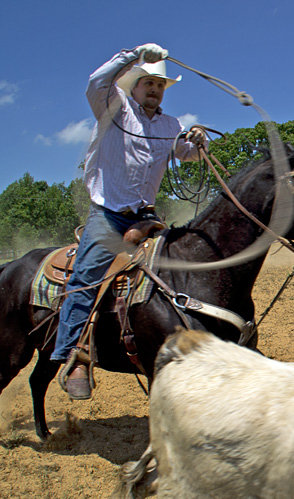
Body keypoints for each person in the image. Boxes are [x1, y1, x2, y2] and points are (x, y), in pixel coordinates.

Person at [51, 43, 207, 400]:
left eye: (159, 84)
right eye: (147, 82)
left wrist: (199, 141)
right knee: (86, 277)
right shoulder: (116, 110)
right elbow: (95, 84)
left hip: (146, 216)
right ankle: (73, 354)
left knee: (181, 269)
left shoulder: (171, 125)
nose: (153, 88)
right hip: (108, 215)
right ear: (134, 84)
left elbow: (189, 154)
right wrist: (132, 55)